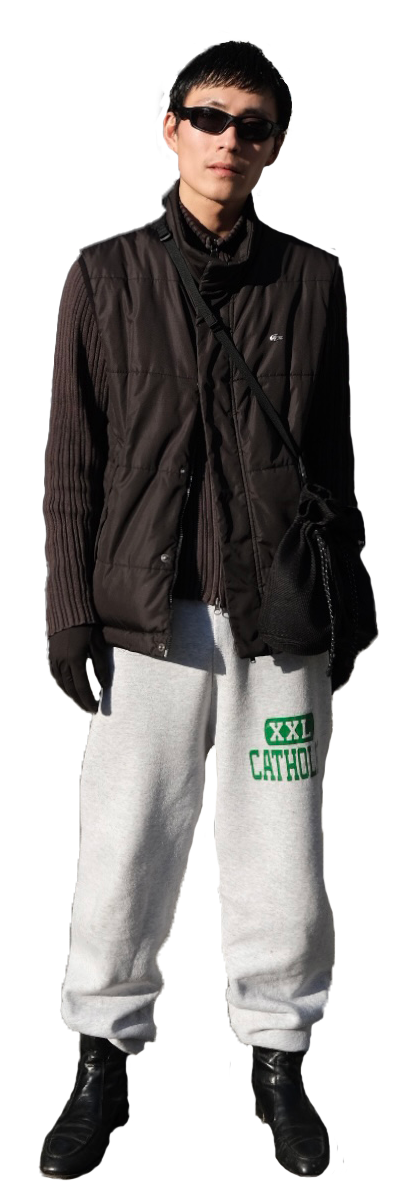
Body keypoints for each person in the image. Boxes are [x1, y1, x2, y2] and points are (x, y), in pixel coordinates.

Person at [39, 38, 358, 1181]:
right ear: (169, 128)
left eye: (254, 125)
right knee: (127, 840)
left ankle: (278, 1054)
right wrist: (65, 608)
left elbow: (329, 454)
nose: (230, 140)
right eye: (210, 117)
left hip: (277, 612)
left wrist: (347, 599)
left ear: (271, 147)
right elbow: (72, 457)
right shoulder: (106, 276)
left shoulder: (309, 281)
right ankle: (101, 1055)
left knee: (280, 846)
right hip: (146, 612)